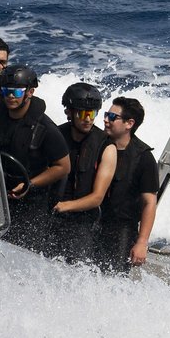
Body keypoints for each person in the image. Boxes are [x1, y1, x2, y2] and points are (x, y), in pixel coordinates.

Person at [0, 64, 70, 254]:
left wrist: (29, 184)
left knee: (21, 254)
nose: (10, 96)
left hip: (31, 201)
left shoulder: (45, 128)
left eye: (16, 92)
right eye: (5, 91)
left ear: (30, 92)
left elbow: (63, 167)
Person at [51, 82, 116, 264]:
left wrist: (64, 206)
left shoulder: (106, 146)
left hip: (82, 223)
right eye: (83, 113)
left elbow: (97, 197)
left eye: (93, 113)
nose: (88, 119)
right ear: (69, 112)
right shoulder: (55, 135)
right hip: (51, 216)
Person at [99, 96, 158, 271]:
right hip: (92, 221)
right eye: (105, 114)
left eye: (111, 117)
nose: (105, 120)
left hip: (121, 229)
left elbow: (149, 203)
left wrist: (142, 242)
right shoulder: (97, 144)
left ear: (129, 124)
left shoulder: (144, 158)